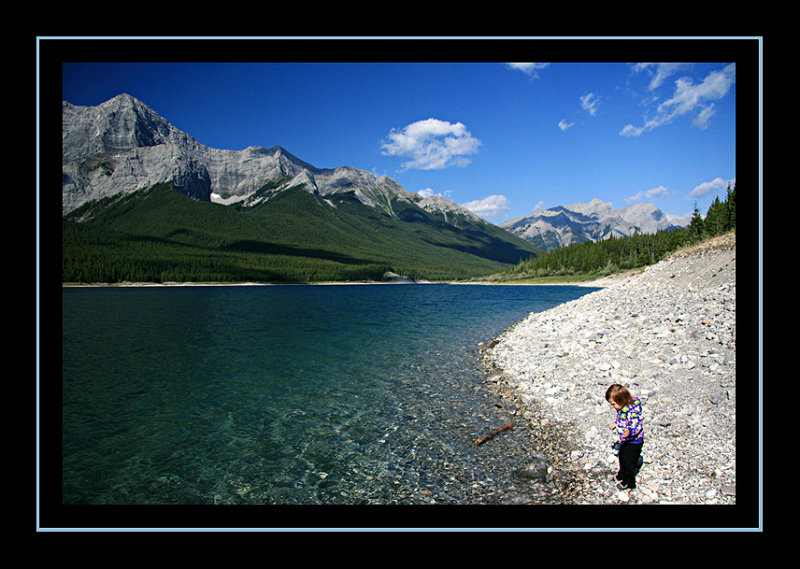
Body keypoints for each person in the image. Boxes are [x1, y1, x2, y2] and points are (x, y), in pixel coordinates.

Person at [606, 384, 644, 490]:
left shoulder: (632, 413)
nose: (613, 407)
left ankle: (629, 482)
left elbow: (637, 426)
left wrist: (629, 432)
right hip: (627, 440)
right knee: (623, 457)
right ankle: (621, 475)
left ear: (622, 400)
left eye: (613, 404)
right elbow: (622, 419)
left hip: (634, 441)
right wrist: (616, 424)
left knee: (627, 462)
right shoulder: (624, 408)